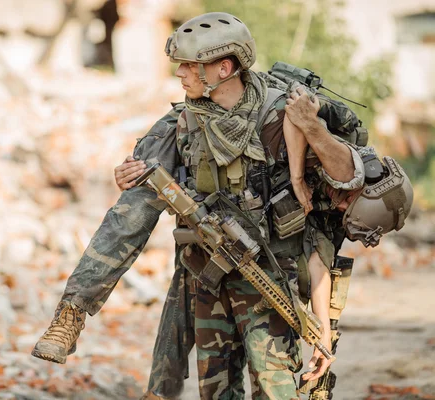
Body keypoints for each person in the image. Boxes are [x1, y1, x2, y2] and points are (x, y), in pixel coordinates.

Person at [32, 12, 413, 399]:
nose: (179, 74)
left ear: (223, 68)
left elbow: (331, 217)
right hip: (208, 274)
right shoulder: (183, 122)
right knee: (213, 390)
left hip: (268, 279)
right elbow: (134, 197)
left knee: (274, 386)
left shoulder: (282, 115)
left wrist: (309, 134)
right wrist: (129, 172)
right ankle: (73, 311)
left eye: (189, 66)